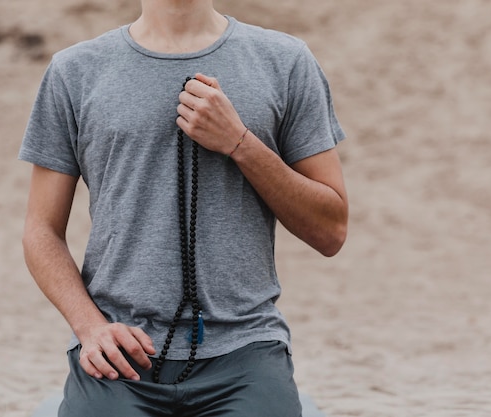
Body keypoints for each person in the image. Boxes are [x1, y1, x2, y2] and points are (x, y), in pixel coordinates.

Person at [19, 0, 348, 416]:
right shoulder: (75, 70)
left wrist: (239, 143)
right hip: (120, 349)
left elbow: (331, 230)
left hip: (244, 349)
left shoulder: (285, 61)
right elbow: (41, 230)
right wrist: (90, 328)